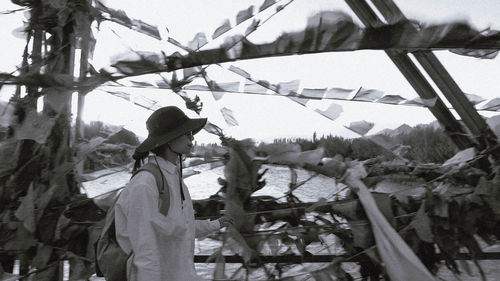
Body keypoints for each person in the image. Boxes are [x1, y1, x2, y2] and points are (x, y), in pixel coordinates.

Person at [114, 106, 233, 281]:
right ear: (169, 139)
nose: (192, 138)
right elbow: (144, 251)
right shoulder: (145, 184)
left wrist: (216, 224)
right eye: (187, 133)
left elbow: (180, 228)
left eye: (192, 133)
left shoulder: (174, 178)